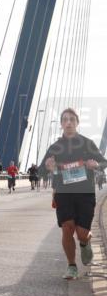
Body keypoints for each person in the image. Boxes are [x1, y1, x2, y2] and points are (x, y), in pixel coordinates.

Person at [40, 108, 107, 280]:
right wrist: (48, 167)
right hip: (63, 193)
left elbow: (103, 162)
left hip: (85, 194)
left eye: (72, 119)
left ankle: (85, 242)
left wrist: (96, 165)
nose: (68, 122)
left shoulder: (87, 143)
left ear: (77, 123)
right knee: (67, 228)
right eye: (65, 120)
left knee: (82, 232)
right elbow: (40, 170)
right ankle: (71, 266)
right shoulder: (55, 147)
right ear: (62, 124)